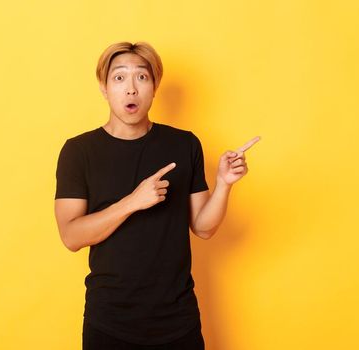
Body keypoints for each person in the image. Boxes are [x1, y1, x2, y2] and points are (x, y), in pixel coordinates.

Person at [53, 41, 260, 349]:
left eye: (142, 77)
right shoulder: (79, 151)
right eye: (119, 78)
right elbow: (71, 236)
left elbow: (204, 227)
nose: (131, 89)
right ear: (104, 88)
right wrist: (132, 202)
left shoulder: (184, 144)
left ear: (154, 87)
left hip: (178, 321)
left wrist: (224, 183)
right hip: (109, 322)